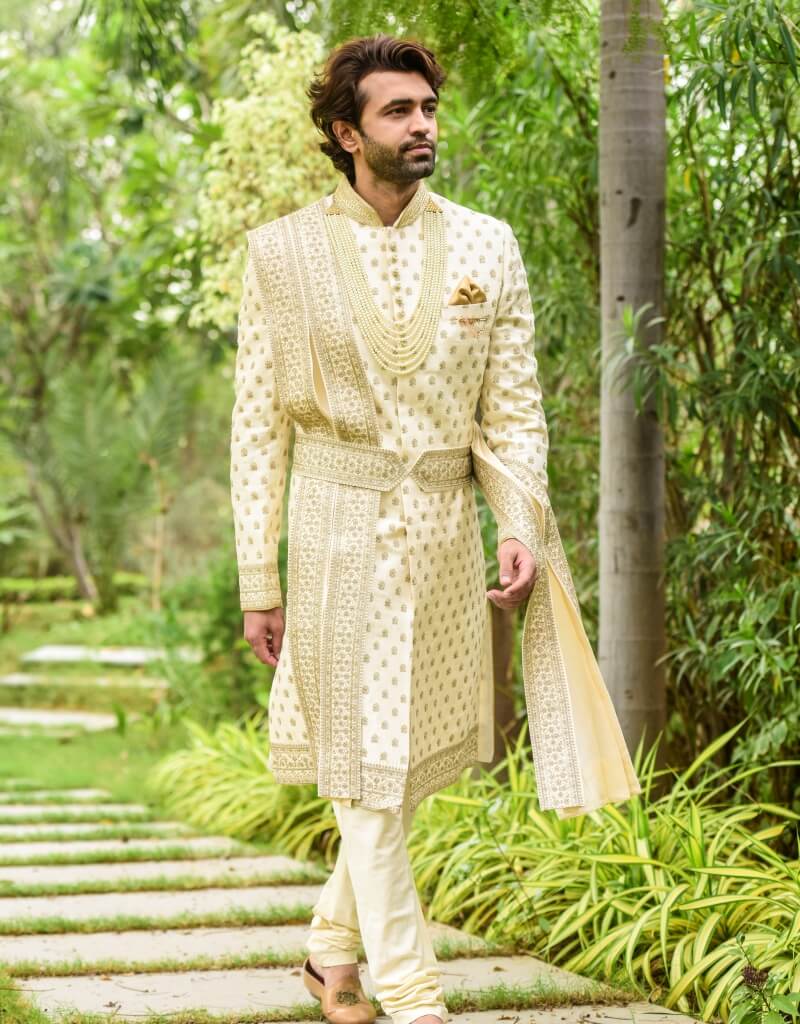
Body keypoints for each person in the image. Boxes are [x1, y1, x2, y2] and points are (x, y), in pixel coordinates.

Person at [229, 33, 642, 1024]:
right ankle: (413, 998)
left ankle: (331, 951)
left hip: (445, 536)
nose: (422, 126)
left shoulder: (486, 244)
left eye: (427, 108)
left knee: (404, 768)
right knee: (366, 773)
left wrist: (517, 520)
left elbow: (514, 406)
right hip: (332, 531)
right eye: (397, 112)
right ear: (344, 132)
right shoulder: (280, 255)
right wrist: (258, 577)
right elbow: (255, 423)